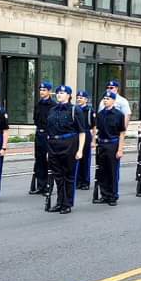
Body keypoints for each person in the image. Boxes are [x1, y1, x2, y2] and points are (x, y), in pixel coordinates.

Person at [46, 85, 86, 214]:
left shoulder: (75, 110)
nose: (59, 95)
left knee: (68, 175)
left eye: (62, 93)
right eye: (58, 93)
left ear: (69, 95)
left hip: (69, 144)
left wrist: (80, 150)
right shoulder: (52, 110)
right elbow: (49, 131)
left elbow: (82, 132)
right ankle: (59, 202)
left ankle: (67, 203)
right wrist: (49, 149)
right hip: (54, 144)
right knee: (57, 175)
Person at [93, 91, 125, 206]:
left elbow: (121, 133)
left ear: (113, 100)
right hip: (102, 144)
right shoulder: (100, 114)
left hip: (113, 144)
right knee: (102, 171)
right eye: (104, 98)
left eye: (108, 98)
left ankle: (113, 196)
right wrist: (94, 143)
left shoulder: (119, 114)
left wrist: (120, 149)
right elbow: (97, 130)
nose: (105, 100)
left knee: (112, 172)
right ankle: (104, 194)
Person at [30, 82, 55, 194]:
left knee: (49, 161)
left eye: (44, 90)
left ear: (49, 91)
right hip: (39, 134)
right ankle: (41, 185)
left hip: (48, 134)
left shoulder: (53, 105)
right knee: (39, 160)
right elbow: (35, 119)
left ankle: (48, 186)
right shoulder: (38, 104)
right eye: (40, 90)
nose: (42, 92)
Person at [75, 91, 95, 190]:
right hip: (76, 135)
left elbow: (94, 127)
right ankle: (77, 181)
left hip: (86, 134)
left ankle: (85, 181)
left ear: (86, 100)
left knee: (85, 160)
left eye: (81, 97)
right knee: (76, 159)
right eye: (78, 97)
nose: (79, 99)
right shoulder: (74, 109)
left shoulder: (90, 110)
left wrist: (93, 141)